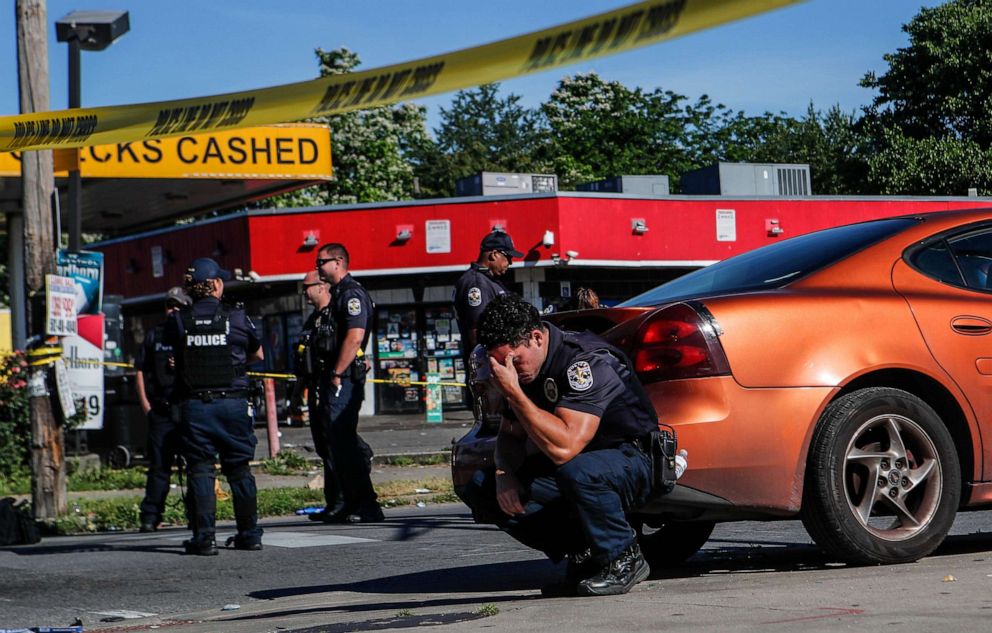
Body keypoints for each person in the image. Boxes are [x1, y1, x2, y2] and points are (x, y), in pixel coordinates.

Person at [464, 294, 657, 597]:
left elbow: (564, 447)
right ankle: (586, 554)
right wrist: (504, 473)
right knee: (481, 486)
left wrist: (514, 392)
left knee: (578, 471)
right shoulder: (524, 371)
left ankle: (623, 557)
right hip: (578, 467)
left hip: (631, 458)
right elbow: (510, 434)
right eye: (500, 363)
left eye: (512, 360)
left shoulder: (584, 361)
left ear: (536, 337)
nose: (508, 370)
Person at [165, 257, 264, 555]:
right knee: (239, 470)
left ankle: (205, 538)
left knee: (200, 470)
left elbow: (176, 359)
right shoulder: (236, 317)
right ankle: (249, 533)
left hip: (197, 406)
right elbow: (257, 355)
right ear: (217, 285)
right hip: (233, 404)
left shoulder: (179, 320)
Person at [314, 243, 383, 523]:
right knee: (338, 445)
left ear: (339, 262)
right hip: (338, 378)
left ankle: (367, 505)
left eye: (322, 262)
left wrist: (337, 373)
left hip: (345, 379)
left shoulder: (351, 294)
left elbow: (354, 337)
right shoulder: (338, 294)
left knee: (344, 443)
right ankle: (348, 503)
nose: (318, 267)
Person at [136, 286, 191, 533]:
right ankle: (151, 515)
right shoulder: (155, 335)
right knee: (159, 467)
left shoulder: (191, 333)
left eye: (178, 306)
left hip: (187, 409)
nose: (173, 310)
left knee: (195, 467)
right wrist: (145, 404)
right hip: (161, 410)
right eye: (170, 305)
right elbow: (140, 369)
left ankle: (197, 514)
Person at [453, 229, 524, 363]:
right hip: (490, 367)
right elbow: (476, 330)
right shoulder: (477, 283)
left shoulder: (488, 281)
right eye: (508, 257)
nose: (510, 263)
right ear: (494, 254)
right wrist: (487, 365)